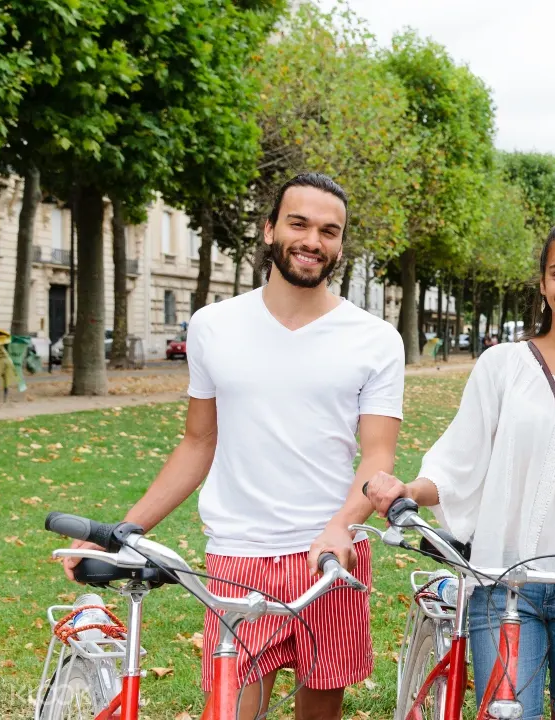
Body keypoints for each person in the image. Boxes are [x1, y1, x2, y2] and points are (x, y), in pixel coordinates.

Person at [61, 173, 404, 719]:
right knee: (230, 710)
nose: (313, 240)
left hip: (331, 556)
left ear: (340, 243)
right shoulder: (213, 325)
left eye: (329, 231)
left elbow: (378, 457)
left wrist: (341, 525)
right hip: (237, 558)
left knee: (320, 712)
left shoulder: (376, 338)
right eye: (299, 223)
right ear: (270, 229)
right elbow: (199, 441)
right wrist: (125, 531)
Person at [365, 219, 555, 720]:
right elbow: (459, 462)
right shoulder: (503, 365)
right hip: (503, 580)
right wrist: (410, 489)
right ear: (542, 282)